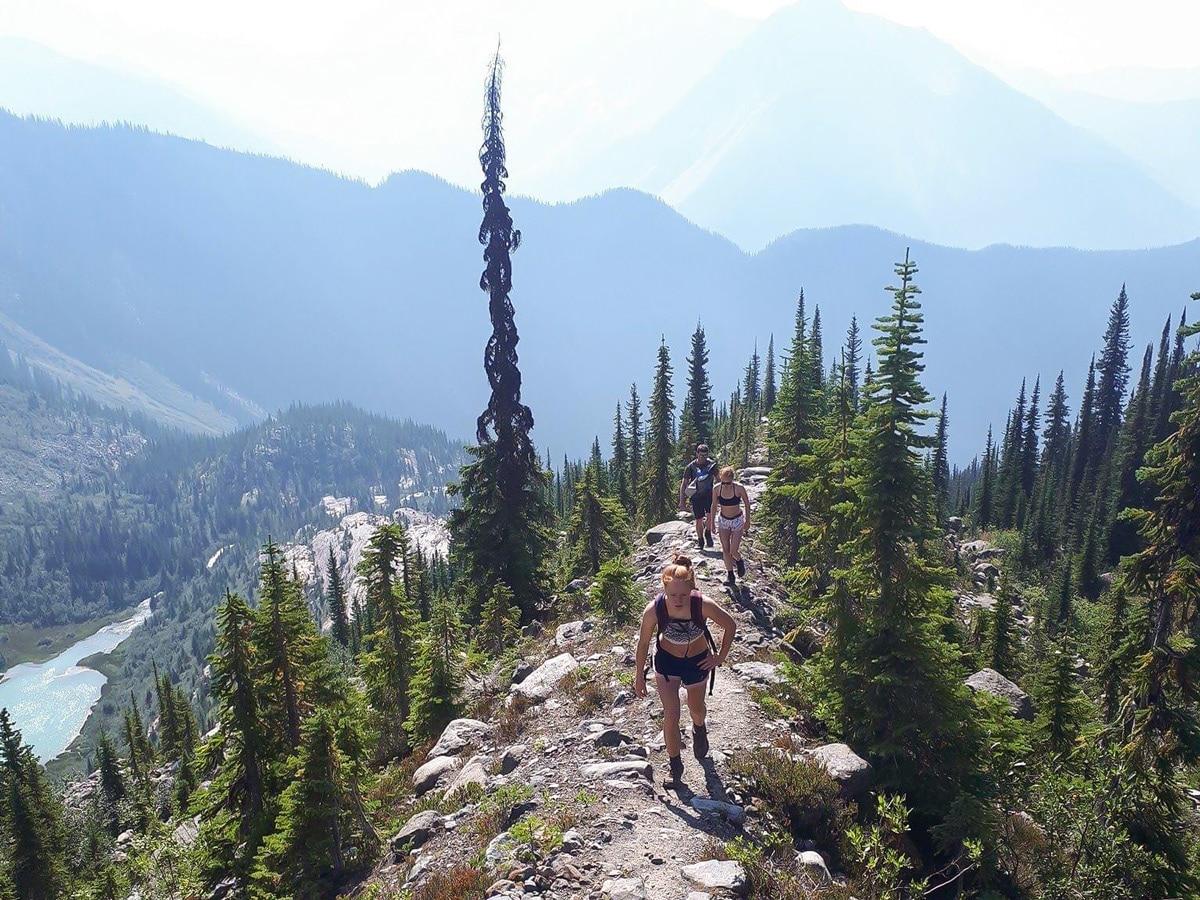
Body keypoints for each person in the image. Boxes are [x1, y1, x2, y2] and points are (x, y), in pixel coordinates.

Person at [633, 555, 737, 784]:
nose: (678, 600)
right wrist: (639, 677)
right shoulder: (655, 609)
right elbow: (642, 644)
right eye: (672, 595)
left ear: (692, 588)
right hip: (667, 663)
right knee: (672, 713)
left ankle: (699, 728)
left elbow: (730, 625)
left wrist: (719, 657)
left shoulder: (702, 604)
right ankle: (675, 766)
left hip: (697, 662)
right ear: (664, 588)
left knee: (696, 708)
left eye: (683, 594)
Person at [714, 466, 751, 587]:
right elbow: (713, 505)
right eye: (723, 482)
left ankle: (739, 561)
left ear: (732, 480)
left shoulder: (739, 488)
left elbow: (747, 503)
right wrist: (711, 524)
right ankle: (730, 575)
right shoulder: (717, 489)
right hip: (723, 520)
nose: (725, 485)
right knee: (725, 549)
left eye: (728, 482)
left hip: (737, 520)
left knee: (733, 550)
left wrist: (748, 520)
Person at [679, 444, 718, 551]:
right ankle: (700, 540)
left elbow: (718, 479)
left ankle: (708, 532)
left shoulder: (711, 465)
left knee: (710, 516)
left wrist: (721, 494)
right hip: (696, 496)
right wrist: (682, 501)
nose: (703, 458)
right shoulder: (690, 467)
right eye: (701, 455)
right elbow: (684, 483)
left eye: (705, 456)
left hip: (709, 494)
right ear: (697, 454)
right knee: (698, 519)